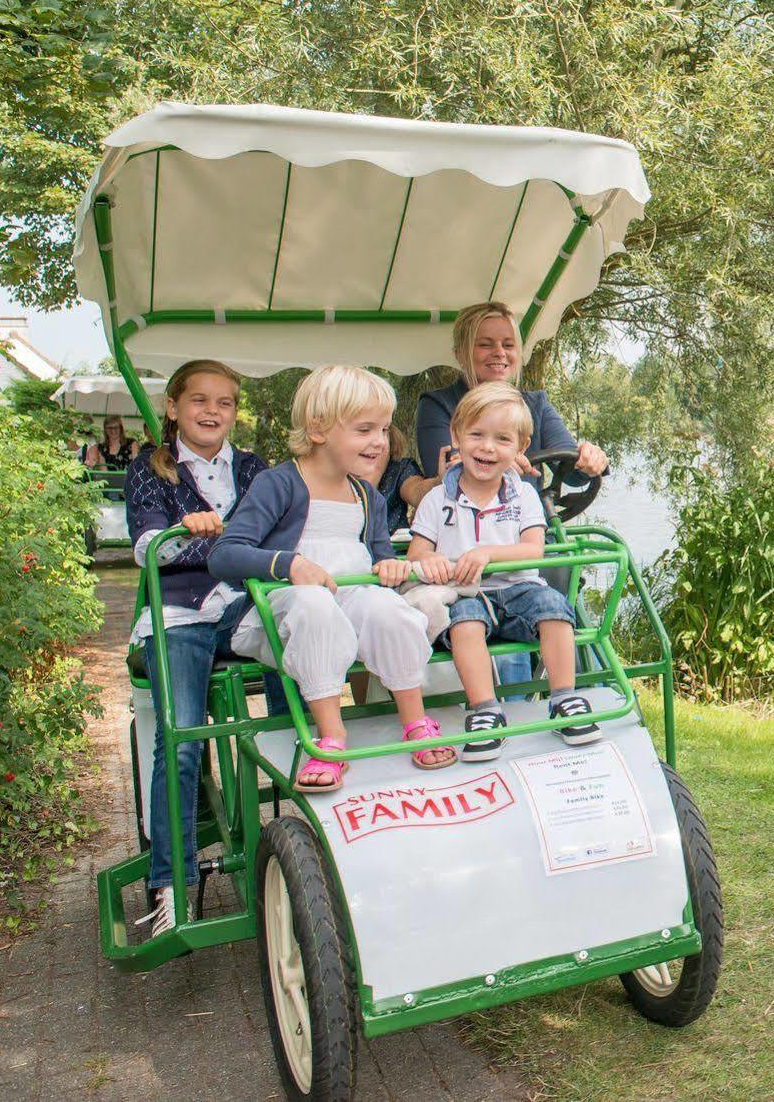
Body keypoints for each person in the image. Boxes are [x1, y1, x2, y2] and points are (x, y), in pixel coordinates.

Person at [211, 365, 456, 793]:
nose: (380, 441)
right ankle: (329, 736)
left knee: (388, 610)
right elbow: (225, 554)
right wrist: (287, 564)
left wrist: (391, 568)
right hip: (286, 609)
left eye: (383, 429)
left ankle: (414, 719)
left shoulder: (366, 496)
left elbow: (379, 559)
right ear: (319, 429)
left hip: (350, 597)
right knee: (314, 606)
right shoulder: (279, 484)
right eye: (364, 429)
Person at [122, 360, 267, 937]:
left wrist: (221, 545)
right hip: (178, 614)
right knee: (180, 740)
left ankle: (309, 838)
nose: (213, 411)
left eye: (225, 402)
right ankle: (171, 884)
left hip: (239, 606)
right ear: (174, 408)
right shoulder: (150, 469)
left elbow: (276, 537)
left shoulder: (253, 469)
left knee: (303, 671)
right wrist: (196, 535)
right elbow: (150, 548)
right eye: (200, 401)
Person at [407, 383, 601, 760]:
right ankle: (485, 710)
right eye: (476, 435)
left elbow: (532, 551)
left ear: (519, 449)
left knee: (553, 604)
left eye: (501, 439)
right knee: (463, 622)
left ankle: (565, 698)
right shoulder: (437, 499)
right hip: (467, 591)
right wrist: (428, 562)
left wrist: (487, 554)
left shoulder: (522, 495)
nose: (487, 447)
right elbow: (417, 554)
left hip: (518, 590)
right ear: (456, 437)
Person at [414, 301, 609, 489]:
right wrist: (499, 466)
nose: (499, 352)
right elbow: (449, 474)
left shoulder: (536, 404)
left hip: (530, 520)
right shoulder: (437, 405)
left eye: (508, 345)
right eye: (485, 344)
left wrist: (589, 460)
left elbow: (571, 473)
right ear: (460, 354)